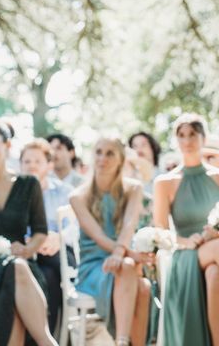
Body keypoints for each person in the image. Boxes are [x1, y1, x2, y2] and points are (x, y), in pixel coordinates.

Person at [154, 113, 219, 346]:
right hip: (186, 253)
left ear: (203, 137)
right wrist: (186, 241)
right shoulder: (165, 182)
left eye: (193, 134)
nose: (187, 140)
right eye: (181, 135)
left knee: (215, 273)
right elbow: (160, 232)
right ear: (175, 141)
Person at [70, 137, 151, 346]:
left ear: (121, 159)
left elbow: (129, 225)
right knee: (129, 267)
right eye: (98, 152)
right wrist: (125, 253)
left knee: (143, 287)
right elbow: (97, 236)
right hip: (94, 265)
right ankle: (122, 342)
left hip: (123, 258)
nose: (102, 158)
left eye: (109, 153)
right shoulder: (78, 196)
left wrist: (120, 253)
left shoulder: (133, 189)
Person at [0, 120, 57, 346]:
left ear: (7, 145)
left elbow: (40, 231)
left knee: (17, 269)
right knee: (12, 283)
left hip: (22, 264)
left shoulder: (28, 184)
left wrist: (28, 249)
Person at [19, 138, 74, 335]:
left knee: (51, 275)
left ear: (49, 165)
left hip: (57, 251)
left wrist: (58, 238)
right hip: (27, 254)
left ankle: (49, 336)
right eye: (27, 161)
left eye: (37, 161)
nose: (32, 165)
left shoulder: (65, 192)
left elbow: (74, 226)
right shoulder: (14, 193)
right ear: (20, 165)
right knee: (47, 276)